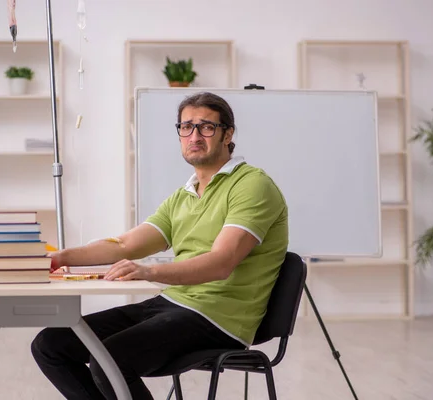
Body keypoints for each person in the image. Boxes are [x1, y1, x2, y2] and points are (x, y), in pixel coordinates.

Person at [31, 91, 289, 400]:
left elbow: (221, 262)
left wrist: (149, 271)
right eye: (186, 127)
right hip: (171, 305)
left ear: (227, 134)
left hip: (219, 317)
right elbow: (125, 244)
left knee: (109, 359)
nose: (194, 135)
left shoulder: (251, 185)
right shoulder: (184, 195)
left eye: (206, 127)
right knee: (51, 345)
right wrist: (61, 257)